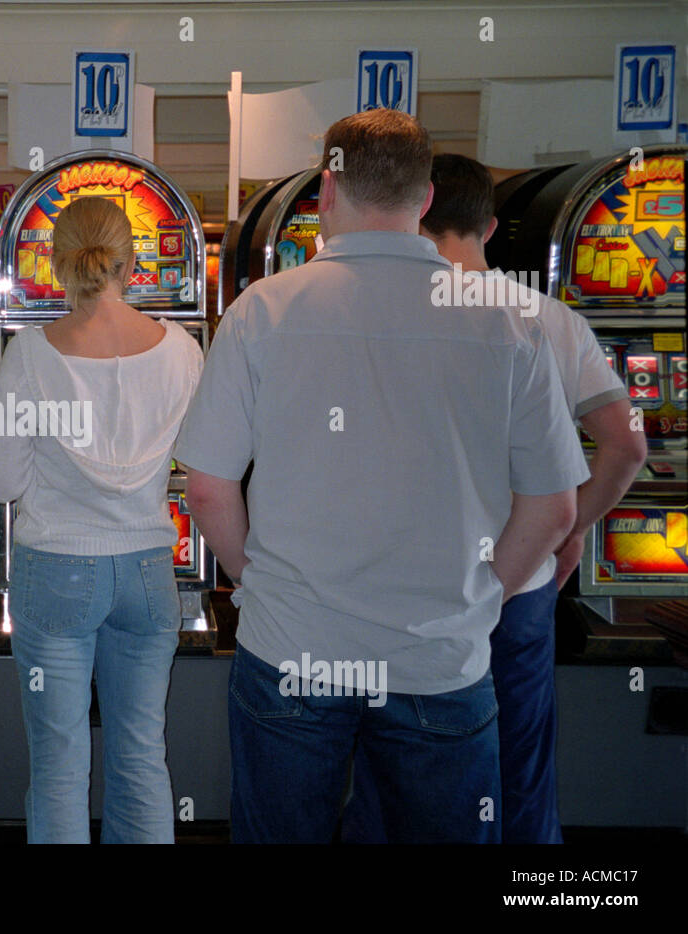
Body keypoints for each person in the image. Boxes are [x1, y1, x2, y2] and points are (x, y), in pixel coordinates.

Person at [176, 109, 589, 844]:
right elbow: (555, 507)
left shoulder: (261, 311)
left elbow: (206, 487)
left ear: (327, 189)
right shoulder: (508, 323)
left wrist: (255, 579)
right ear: (426, 199)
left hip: (293, 649)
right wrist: (485, 598)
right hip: (439, 655)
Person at [341, 153, 646, 844]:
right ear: (492, 224)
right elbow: (627, 448)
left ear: (417, 210)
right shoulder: (550, 320)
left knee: (392, 775)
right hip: (521, 583)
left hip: (404, 586)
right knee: (520, 777)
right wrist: (567, 536)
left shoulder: (377, 318)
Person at [0, 196, 204, 843]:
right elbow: (197, 458)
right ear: (130, 262)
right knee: (141, 756)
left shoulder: (29, 354)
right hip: (146, 571)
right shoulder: (183, 350)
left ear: (56, 264)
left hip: (56, 571)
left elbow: (4, 482)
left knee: (58, 764)